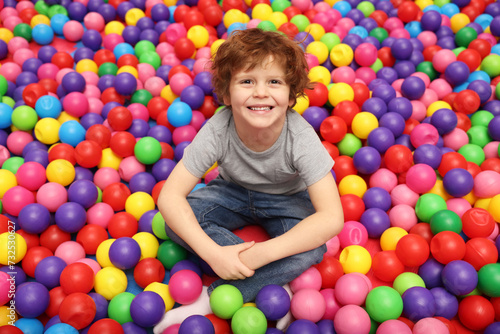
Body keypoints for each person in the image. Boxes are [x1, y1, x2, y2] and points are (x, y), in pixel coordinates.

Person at [154, 27, 344, 332]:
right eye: (247, 81)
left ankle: (213, 296)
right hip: (232, 192)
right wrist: (214, 254)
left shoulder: (301, 138)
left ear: (290, 94)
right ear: (227, 94)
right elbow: (170, 197)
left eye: (274, 82)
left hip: (287, 201)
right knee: (174, 220)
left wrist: (259, 255)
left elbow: (332, 218)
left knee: (314, 247)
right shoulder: (219, 128)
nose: (260, 92)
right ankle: (274, 282)